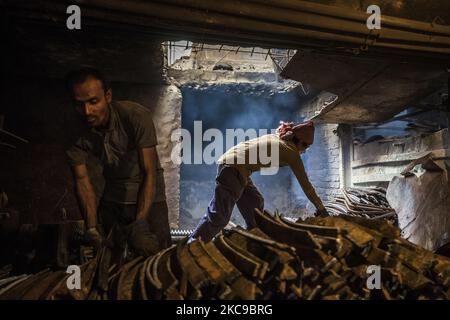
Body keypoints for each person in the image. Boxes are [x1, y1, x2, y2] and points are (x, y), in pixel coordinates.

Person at [65, 67, 171, 257]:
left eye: (93, 102)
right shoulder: (74, 131)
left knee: (156, 258)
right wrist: (91, 227)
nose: (87, 111)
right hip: (113, 197)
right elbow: (82, 180)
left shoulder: (136, 116)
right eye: (79, 104)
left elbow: (149, 172)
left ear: (108, 96)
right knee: (111, 259)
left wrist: (140, 223)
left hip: (148, 197)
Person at [190, 120, 328, 242]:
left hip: (238, 167)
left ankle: (253, 238)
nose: (304, 151)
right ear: (299, 141)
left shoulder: (278, 138)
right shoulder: (291, 152)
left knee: (255, 202)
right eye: (306, 147)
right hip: (234, 168)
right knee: (219, 217)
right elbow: (306, 186)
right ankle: (192, 245)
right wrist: (321, 208)